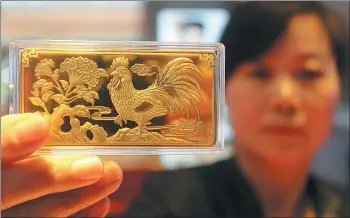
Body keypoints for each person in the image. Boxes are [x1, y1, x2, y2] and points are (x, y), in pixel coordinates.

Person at [1, 1, 348, 217]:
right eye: (259, 72)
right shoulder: (171, 199)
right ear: (222, 88)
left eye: (309, 73)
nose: (285, 98)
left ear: (339, 87)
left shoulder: (339, 202)